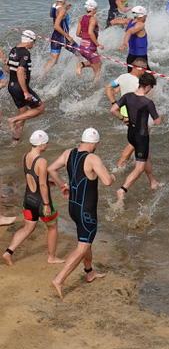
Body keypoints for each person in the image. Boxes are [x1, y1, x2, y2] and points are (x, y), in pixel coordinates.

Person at [48, 128, 114, 299]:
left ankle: (89, 272)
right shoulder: (92, 158)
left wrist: (62, 185)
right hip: (87, 212)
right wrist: (113, 176)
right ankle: (59, 279)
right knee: (83, 246)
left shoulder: (68, 153)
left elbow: (51, 169)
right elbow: (107, 181)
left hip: (73, 207)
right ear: (94, 143)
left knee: (85, 241)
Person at [2, 130, 64, 266]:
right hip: (41, 202)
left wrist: (47, 181)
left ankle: (8, 252)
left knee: (27, 228)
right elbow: (42, 184)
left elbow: (32, 176)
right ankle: (52, 257)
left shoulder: (25, 156)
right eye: (46, 143)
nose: (47, 145)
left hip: (28, 199)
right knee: (52, 227)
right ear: (41, 144)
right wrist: (46, 204)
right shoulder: (42, 161)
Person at [111, 74, 161, 203]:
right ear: (148, 86)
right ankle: (123, 189)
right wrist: (160, 117)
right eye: (151, 87)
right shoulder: (148, 102)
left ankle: (153, 182)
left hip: (131, 134)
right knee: (139, 168)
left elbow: (113, 109)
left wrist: (123, 118)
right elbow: (157, 122)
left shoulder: (127, 96)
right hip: (142, 136)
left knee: (145, 157)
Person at [105, 58, 147, 169]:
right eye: (144, 70)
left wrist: (113, 102)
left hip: (124, 111)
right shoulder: (138, 83)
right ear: (139, 68)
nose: (145, 72)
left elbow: (108, 87)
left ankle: (132, 160)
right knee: (135, 141)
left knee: (135, 138)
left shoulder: (122, 77)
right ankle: (120, 164)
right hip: (135, 114)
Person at [7, 30, 45, 142]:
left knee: (24, 113)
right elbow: (20, 70)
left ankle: (15, 139)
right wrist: (25, 92)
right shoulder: (25, 53)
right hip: (20, 88)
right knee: (40, 108)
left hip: (12, 86)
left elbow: (9, 67)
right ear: (29, 41)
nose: (34, 44)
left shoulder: (14, 50)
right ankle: (12, 120)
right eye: (34, 41)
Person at [42, 0, 82, 77]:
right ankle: (78, 74)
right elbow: (56, 26)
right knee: (80, 53)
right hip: (63, 37)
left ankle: (41, 75)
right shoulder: (62, 10)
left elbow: (54, 16)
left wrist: (65, 9)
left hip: (55, 36)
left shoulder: (54, 7)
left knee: (53, 60)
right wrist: (67, 36)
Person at [75, 0, 104, 81]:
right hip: (90, 47)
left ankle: (82, 65)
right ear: (93, 9)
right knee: (98, 72)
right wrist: (98, 44)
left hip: (82, 46)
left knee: (98, 63)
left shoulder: (81, 18)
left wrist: (85, 38)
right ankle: (94, 87)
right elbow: (90, 33)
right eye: (96, 9)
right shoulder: (93, 19)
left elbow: (77, 34)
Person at [119, 6, 150, 72]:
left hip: (131, 57)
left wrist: (111, 23)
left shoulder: (129, 21)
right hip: (140, 58)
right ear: (141, 16)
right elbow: (129, 31)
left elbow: (114, 21)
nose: (146, 18)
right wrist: (124, 43)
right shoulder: (140, 25)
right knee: (148, 76)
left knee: (131, 76)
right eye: (145, 16)